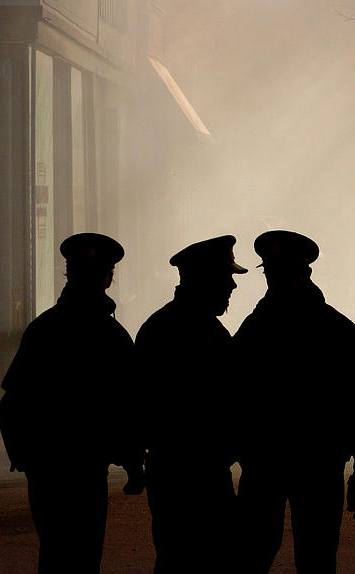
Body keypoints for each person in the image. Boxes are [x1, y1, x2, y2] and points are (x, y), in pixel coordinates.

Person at [233, 230, 355, 573]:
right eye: (270, 272)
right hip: (277, 464)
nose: (275, 280)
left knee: (308, 557)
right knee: (260, 555)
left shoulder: (335, 330)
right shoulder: (259, 328)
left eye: (282, 272)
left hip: (304, 465)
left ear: (304, 274)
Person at [0, 232, 143, 574]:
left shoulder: (43, 328)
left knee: (56, 552)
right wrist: (134, 464)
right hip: (86, 467)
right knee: (82, 554)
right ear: (108, 278)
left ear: (68, 275)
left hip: (48, 468)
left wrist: (25, 457)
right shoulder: (112, 336)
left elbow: (11, 401)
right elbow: (129, 406)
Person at [135, 235, 247, 573]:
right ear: (204, 279)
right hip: (192, 471)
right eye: (225, 278)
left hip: (184, 469)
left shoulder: (166, 326)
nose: (232, 286)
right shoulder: (196, 332)